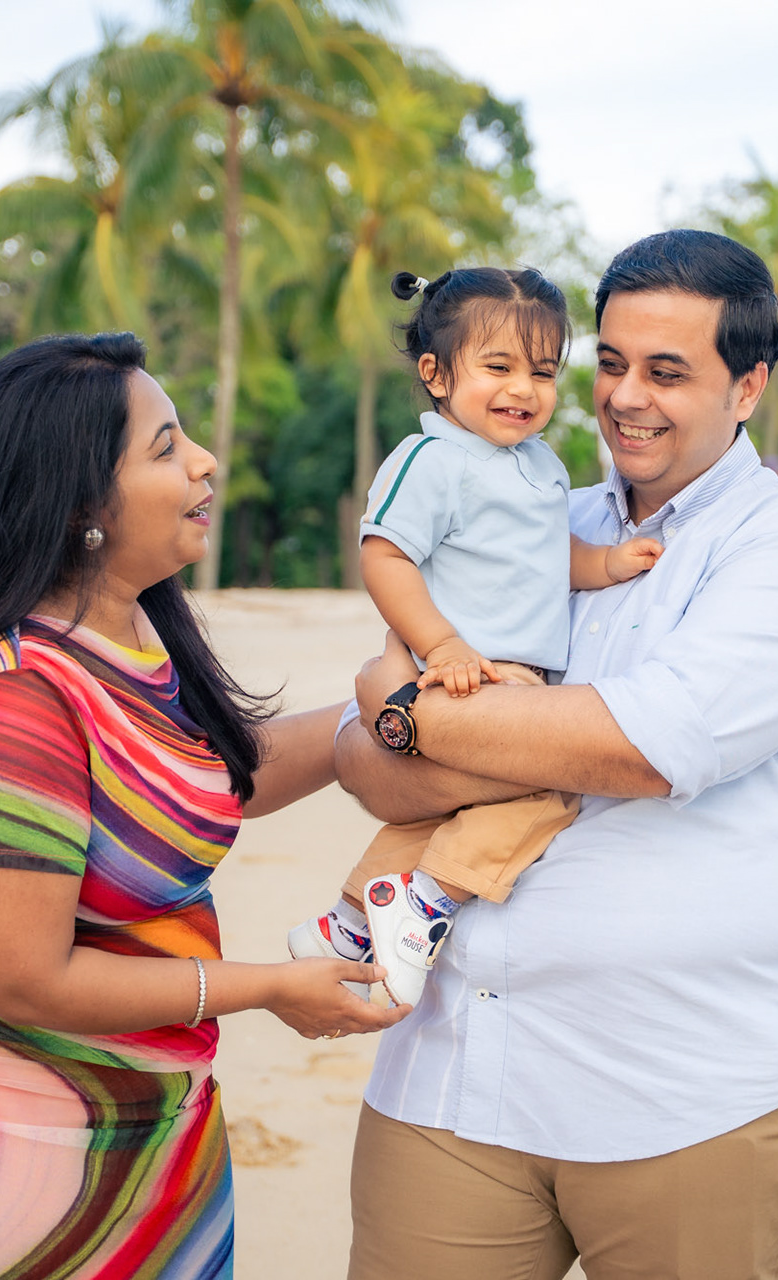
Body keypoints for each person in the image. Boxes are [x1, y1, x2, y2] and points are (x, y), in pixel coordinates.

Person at [335, 230, 778, 1279]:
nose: (626, 397)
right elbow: (366, 767)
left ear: (749, 385)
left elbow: (637, 747)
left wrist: (396, 706)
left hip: (691, 1086)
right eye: (613, 363)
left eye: (667, 372)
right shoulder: (535, 511)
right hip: (458, 1073)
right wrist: (393, 723)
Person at [0, 333, 403, 1280]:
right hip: (7, 1115)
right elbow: (25, 980)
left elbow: (209, 777)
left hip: (149, 1098)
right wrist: (268, 986)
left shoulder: (132, 627)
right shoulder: (18, 699)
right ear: (80, 506)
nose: (205, 462)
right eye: (166, 447)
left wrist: (383, 717)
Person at [287, 266, 660, 1006]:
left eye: (542, 372)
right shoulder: (432, 459)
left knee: (455, 811)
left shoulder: (541, 465)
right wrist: (443, 644)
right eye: (498, 367)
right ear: (435, 374)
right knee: (549, 793)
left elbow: (548, 556)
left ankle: (350, 922)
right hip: (464, 671)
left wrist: (606, 564)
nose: (524, 389)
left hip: (513, 673)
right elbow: (385, 555)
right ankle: (429, 899)